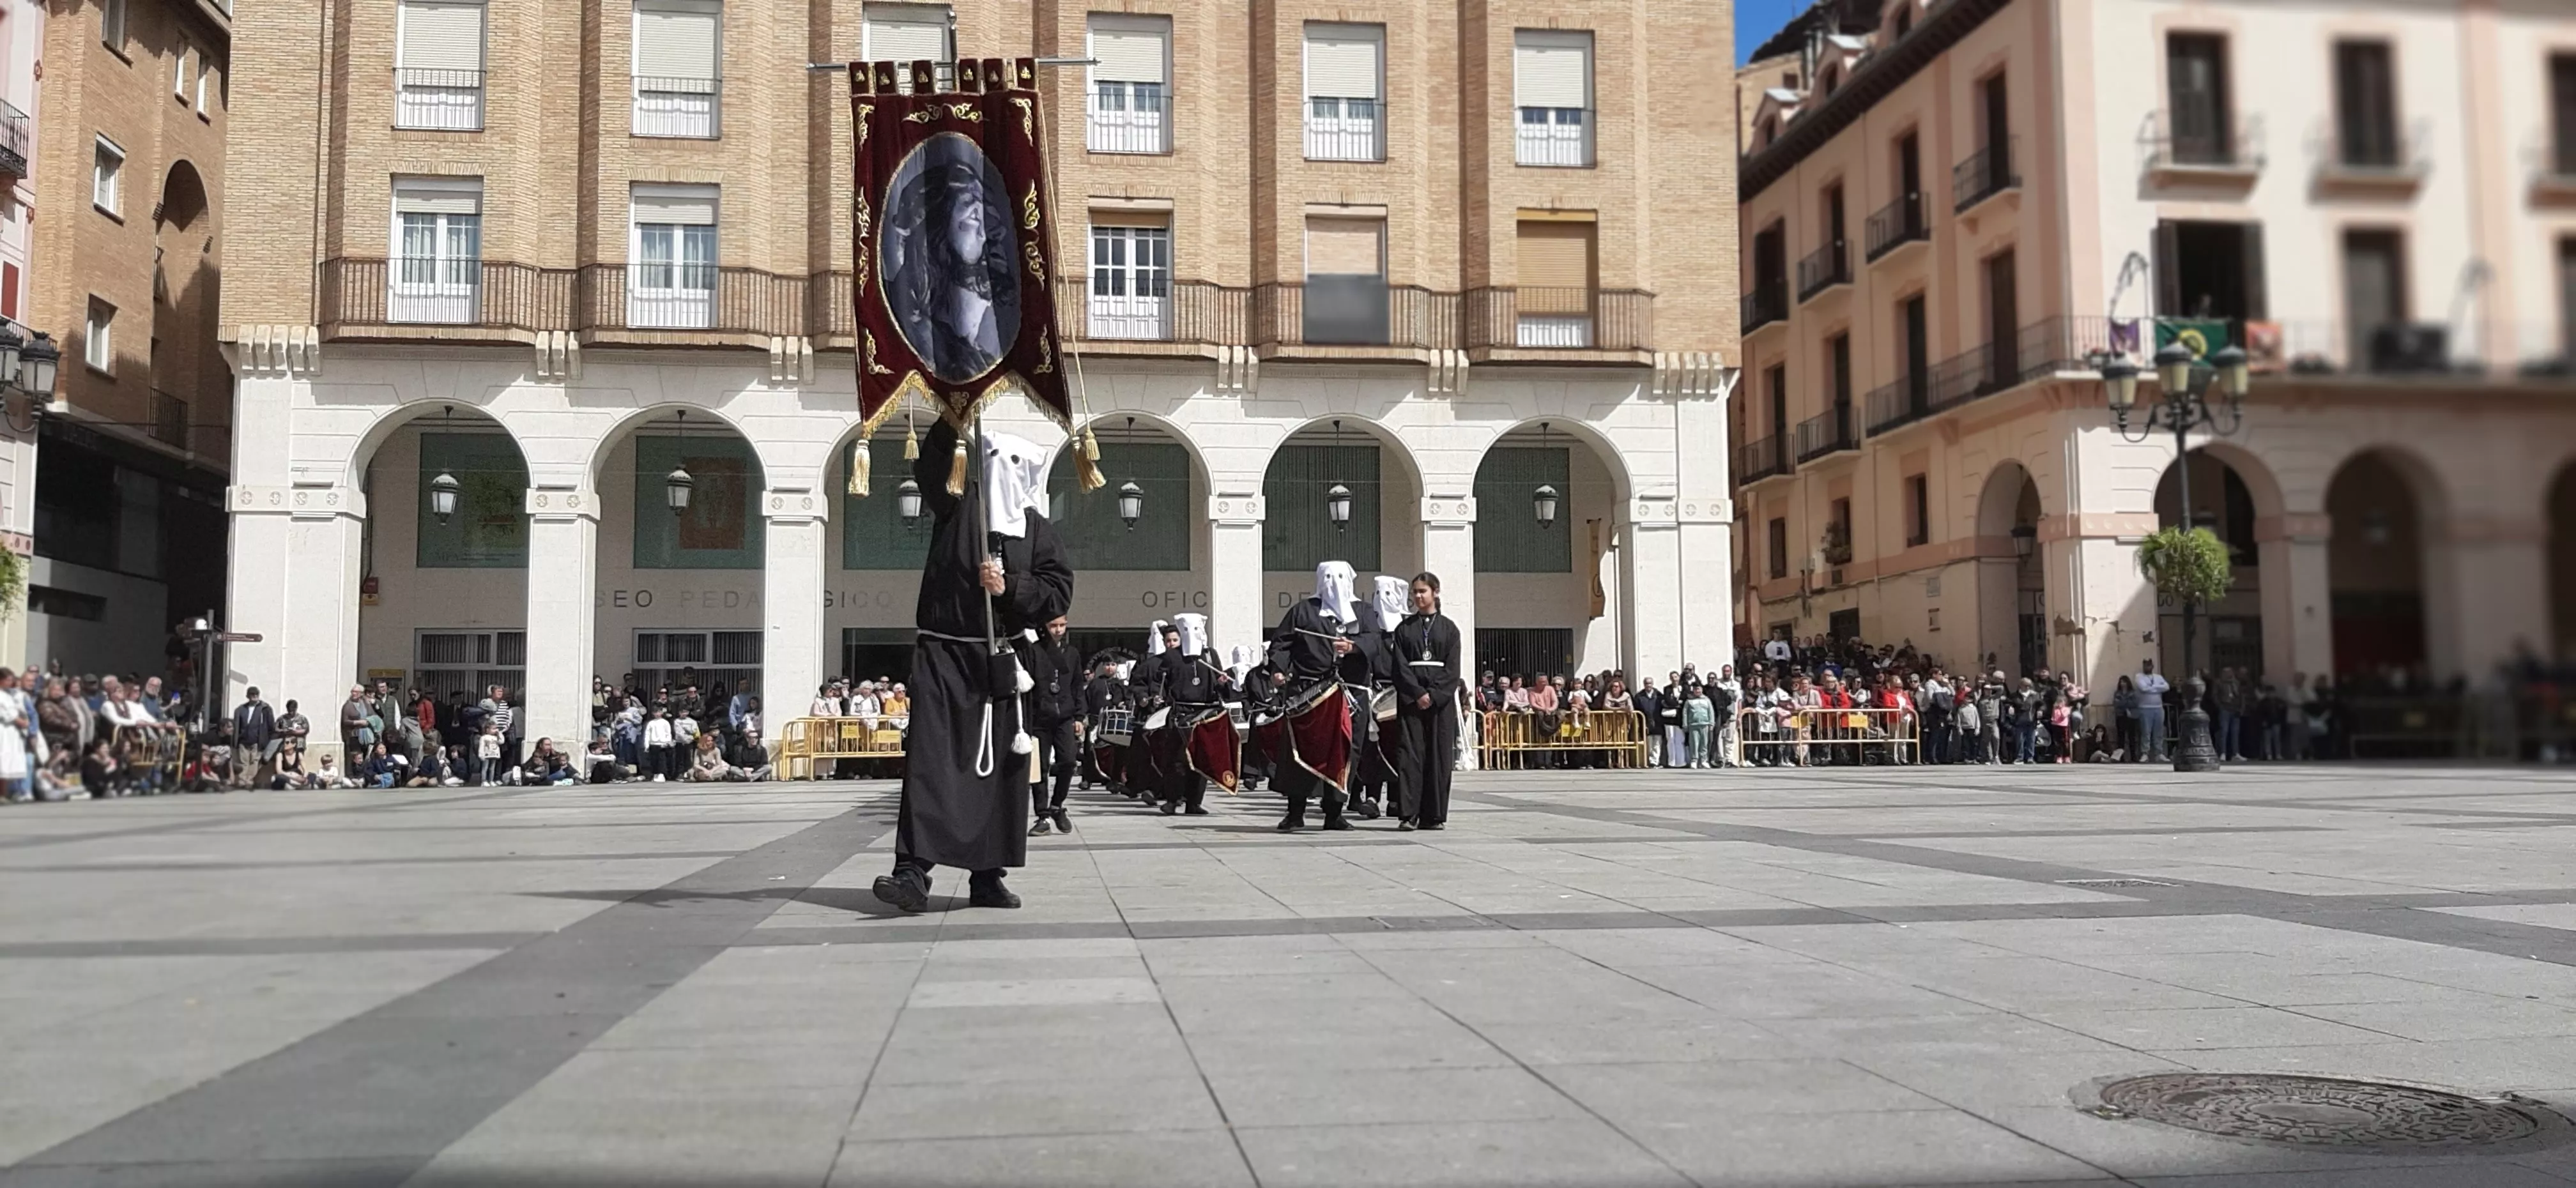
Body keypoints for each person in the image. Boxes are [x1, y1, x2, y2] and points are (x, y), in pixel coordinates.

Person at [873, 421, 1074, 915]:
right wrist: (952, 419)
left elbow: (1059, 592)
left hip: (1002, 663)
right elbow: (932, 471)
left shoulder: (1037, 529)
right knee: (932, 763)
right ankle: (912, 872)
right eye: (997, 462)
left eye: (1016, 465)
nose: (1006, 473)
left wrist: (1011, 589)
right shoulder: (958, 507)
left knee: (1001, 771)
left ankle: (987, 876)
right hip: (945, 657)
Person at [1266, 561, 1361, 833]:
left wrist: (1355, 647)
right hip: (1306, 693)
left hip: (1343, 695)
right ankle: (1295, 813)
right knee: (1299, 753)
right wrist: (1278, 669)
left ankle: (1334, 814)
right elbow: (1282, 643)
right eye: (1329, 577)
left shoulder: (1360, 612)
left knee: (1340, 752)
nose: (1334, 583)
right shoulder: (1303, 611)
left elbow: (1372, 640)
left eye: (1341, 577)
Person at [1386, 572, 1462, 830]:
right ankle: (1409, 814)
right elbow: (1399, 667)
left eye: (1423, 591)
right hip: (1412, 701)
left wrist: (1435, 695)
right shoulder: (1404, 629)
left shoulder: (1449, 629)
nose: (1418, 597)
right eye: (1415, 592)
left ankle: (1435, 815)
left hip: (1440, 703)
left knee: (1439, 757)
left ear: (1435, 593)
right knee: (1411, 756)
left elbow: (1453, 670)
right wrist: (1418, 693)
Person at [1154, 613, 1230, 817]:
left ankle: (1194, 802)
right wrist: (1159, 697)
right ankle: (1173, 800)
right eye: (1187, 630)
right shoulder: (1172, 656)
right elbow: (1160, 682)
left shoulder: (1210, 655)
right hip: (1181, 712)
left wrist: (1223, 683)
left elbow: (1220, 685)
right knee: (1177, 760)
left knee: (1200, 759)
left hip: (1204, 712)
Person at [1023, 614, 1085, 835]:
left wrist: (1079, 716)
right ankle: (1043, 816)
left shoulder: (1071, 653)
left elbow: (1078, 685)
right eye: (1054, 626)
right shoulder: (1033, 651)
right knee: (1039, 769)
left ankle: (1057, 805)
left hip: (1065, 717)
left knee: (1069, 761)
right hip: (1039, 718)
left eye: (1062, 626)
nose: (1058, 630)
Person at [1349, 575, 1405, 815]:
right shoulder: (1369, 629)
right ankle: (1370, 796)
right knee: (1372, 749)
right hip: (1373, 694)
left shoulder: (1406, 630)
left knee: (1398, 749)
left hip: (1400, 696)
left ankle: (1396, 800)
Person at [2133, 659, 2170, 763]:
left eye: (2149, 666)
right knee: (2146, 731)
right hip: (2145, 708)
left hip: (2158, 707)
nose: (2148, 668)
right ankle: (2145, 753)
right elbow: (2143, 688)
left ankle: (2159, 753)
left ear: (2152, 666)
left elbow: (2166, 687)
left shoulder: (2158, 677)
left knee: (2159, 731)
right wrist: (2158, 688)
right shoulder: (2139, 677)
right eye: (2146, 666)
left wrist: (2152, 687)